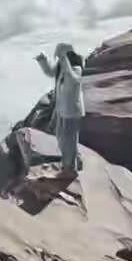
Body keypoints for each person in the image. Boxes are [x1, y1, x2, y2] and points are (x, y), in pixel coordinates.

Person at [35, 43, 85, 175]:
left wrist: (65, 63)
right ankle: (76, 160)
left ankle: (70, 168)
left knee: (69, 140)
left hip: (72, 111)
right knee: (61, 137)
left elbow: (75, 80)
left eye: (60, 56)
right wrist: (43, 60)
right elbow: (50, 72)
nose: (58, 59)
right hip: (61, 109)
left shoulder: (76, 67)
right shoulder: (61, 66)